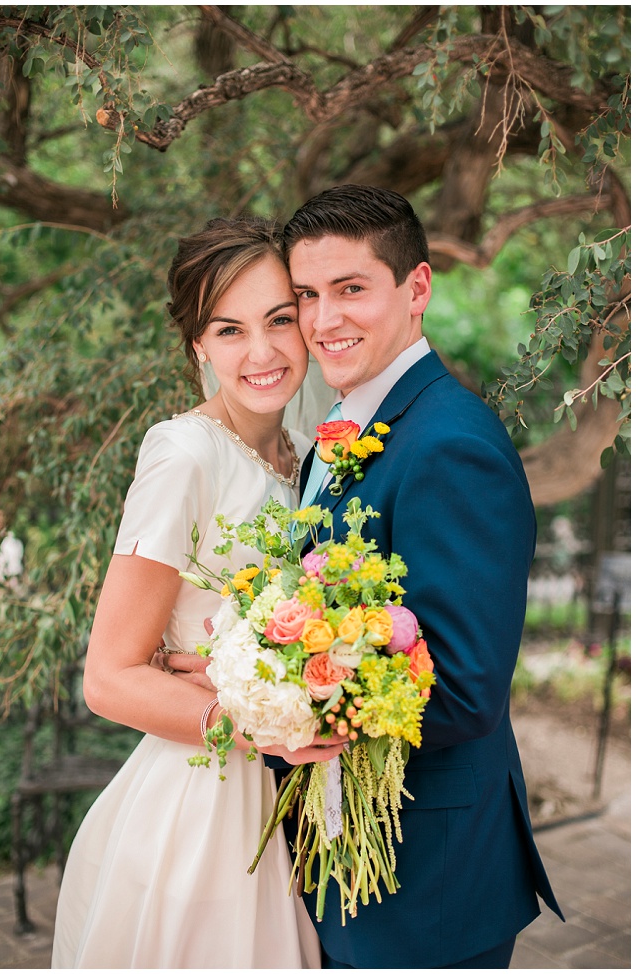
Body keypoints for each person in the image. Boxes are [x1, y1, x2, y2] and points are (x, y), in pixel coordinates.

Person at [277, 183, 563, 967]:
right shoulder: (345, 430)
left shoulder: (449, 443)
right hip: (347, 858)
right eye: (306, 295)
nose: (322, 320)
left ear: (417, 288)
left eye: (350, 290)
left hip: (420, 877)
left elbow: (464, 689)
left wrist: (273, 708)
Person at [51, 217, 344, 969]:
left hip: (292, 792)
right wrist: (249, 716)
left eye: (280, 320)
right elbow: (107, 678)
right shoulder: (183, 452)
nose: (262, 352)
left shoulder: (310, 456)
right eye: (229, 329)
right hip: (205, 796)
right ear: (197, 346)